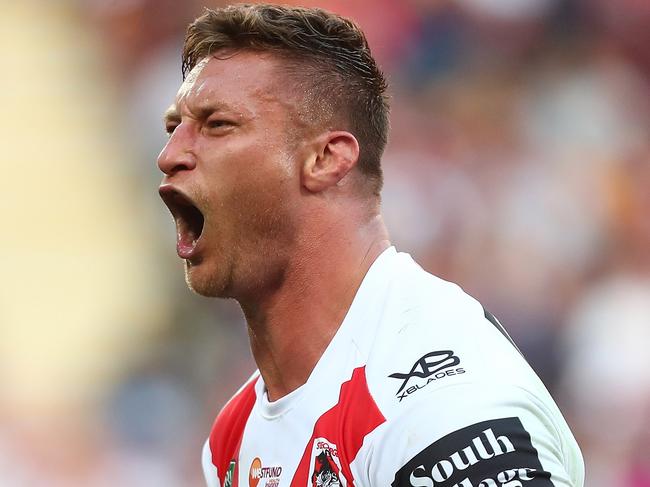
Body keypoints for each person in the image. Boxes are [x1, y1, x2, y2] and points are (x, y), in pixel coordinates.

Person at [157, 4, 584, 487]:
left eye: (216, 125)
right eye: (175, 128)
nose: (169, 155)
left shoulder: (437, 405)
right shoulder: (233, 438)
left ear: (325, 159)